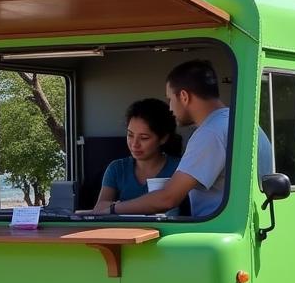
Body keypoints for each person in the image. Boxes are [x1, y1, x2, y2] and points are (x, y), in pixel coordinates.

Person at [100, 59, 271, 218]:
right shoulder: (245, 123)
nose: (170, 108)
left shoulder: (210, 133)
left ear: (184, 96)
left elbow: (168, 198)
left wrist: (111, 209)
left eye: (170, 99)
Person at [91, 98, 180, 211]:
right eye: (130, 135)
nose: (134, 144)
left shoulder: (180, 168)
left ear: (163, 138)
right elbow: (100, 208)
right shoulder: (117, 168)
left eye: (144, 138)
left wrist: (115, 207)